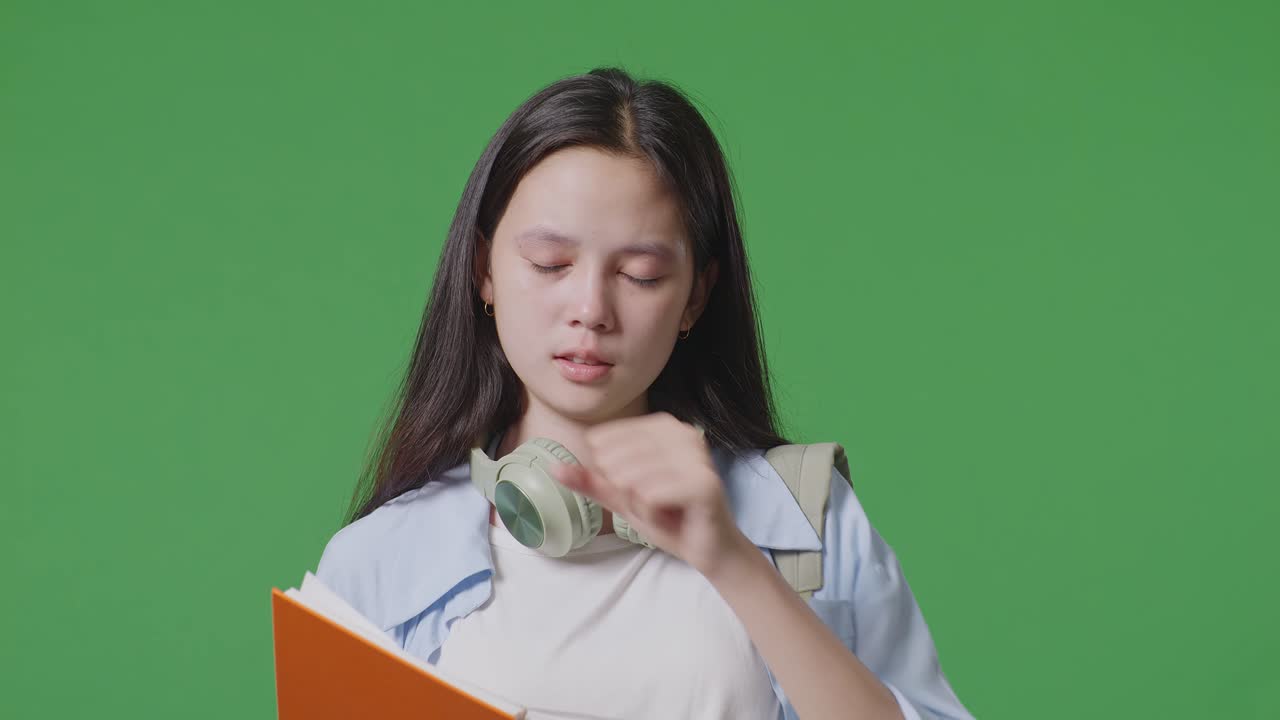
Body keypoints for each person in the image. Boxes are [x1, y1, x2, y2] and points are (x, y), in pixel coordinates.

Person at [315, 66, 973, 720]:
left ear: (696, 296)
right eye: (550, 264)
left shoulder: (807, 520)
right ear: (483, 270)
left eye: (641, 274)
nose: (590, 309)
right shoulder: (378, 558)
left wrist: (733, 561)